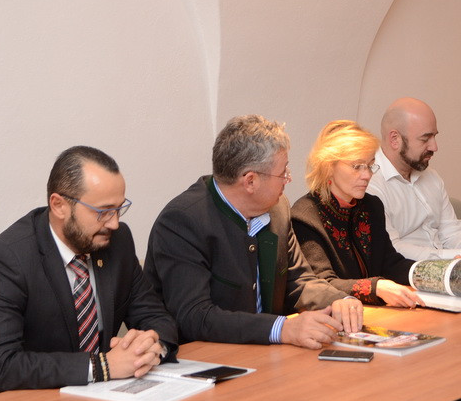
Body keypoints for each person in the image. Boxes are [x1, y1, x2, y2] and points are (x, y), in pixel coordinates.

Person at [0, 146, 178, 401]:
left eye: (119, 208)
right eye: (103, 212)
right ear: (59, 205)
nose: (114, 223)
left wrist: (151, 346)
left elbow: (157, 317)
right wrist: (102, 366)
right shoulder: (9, 258)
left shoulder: (117, 242)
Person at [144, 114, 363, 351]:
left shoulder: (278, 209)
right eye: (283, 173)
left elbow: (298, 280)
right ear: (250, 181)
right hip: (205, 357)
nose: (288, 180)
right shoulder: (182, 221)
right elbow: (195, 316)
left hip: (265, 353)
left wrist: (340, 300)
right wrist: (282, 329)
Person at [291, 120, 425, 308]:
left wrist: (438, 275)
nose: (367, 175)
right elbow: (322, 283)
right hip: (334, 315)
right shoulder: (306, 216)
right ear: (329, 166)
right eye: (357, 166)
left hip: (374, 311)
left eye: (370, 165)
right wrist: (376, 287)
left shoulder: (371, 206)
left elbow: (391, 264)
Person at [366, 97, 461, 261]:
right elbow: (392, 249)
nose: (434, 147)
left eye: (434, 136)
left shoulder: (431, 176)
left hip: (447, 269)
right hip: (408, 274)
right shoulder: (370, 184)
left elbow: (451, 233)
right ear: (394, 139)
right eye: (425, 139)